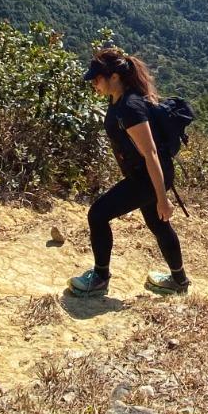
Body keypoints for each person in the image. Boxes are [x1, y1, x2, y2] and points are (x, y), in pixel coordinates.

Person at [67, 47, 188, 297]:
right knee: (158, 224)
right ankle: (179, 281)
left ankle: (100, 277)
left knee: (98, 214)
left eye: (97, 78)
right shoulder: (119, 100)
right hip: (147, 176)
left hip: (149, 177)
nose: (93, 84)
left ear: (114, 77)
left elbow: (150, 153)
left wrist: (162, 198)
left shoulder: (130, 107)